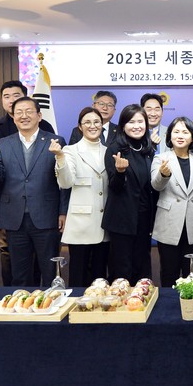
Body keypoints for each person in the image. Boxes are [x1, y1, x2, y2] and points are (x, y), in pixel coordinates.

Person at [0, 80, 56, 286]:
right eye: (19, 112)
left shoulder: (55, 141)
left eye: (29, 111)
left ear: (39, 116)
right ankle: (21, 305)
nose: (24, 115)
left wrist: (63, 212)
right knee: (19, 273)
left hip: (46, 215)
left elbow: (61, 183)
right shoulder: (2, 143)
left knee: (49, 272)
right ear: (13, 116)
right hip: (14, 217)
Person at [50, 107, 110, 287]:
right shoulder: (70, 150)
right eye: (87, 122)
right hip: (81, 225)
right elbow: (66, 182)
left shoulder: (109, 151)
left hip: (104, 225)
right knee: (79, 276)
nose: (93, 126)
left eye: (97, 122)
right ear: (80, 127)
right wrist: (60, 157)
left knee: (100, 278)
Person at [151, 117, 193, 287]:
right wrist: (163, 175)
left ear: (192, 137)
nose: (180, 136)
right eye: (176, 132)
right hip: (169, 222)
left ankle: (192, 302)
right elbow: (156, 186)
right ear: (169, 136)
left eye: (185, 132)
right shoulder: (161, 158)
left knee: (192, 271)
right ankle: (169, 302)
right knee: (169, 271)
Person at [103, 104, 157, 284]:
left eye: (140, 122)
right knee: (122, 268)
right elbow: (115, 187)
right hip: (122, 218)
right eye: (131, 122)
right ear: (123, 125)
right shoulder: (115, 149)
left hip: (144, 217)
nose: (137, 126)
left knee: (142, 264)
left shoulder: (148, 150)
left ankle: (142, 297)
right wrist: (120, 172)